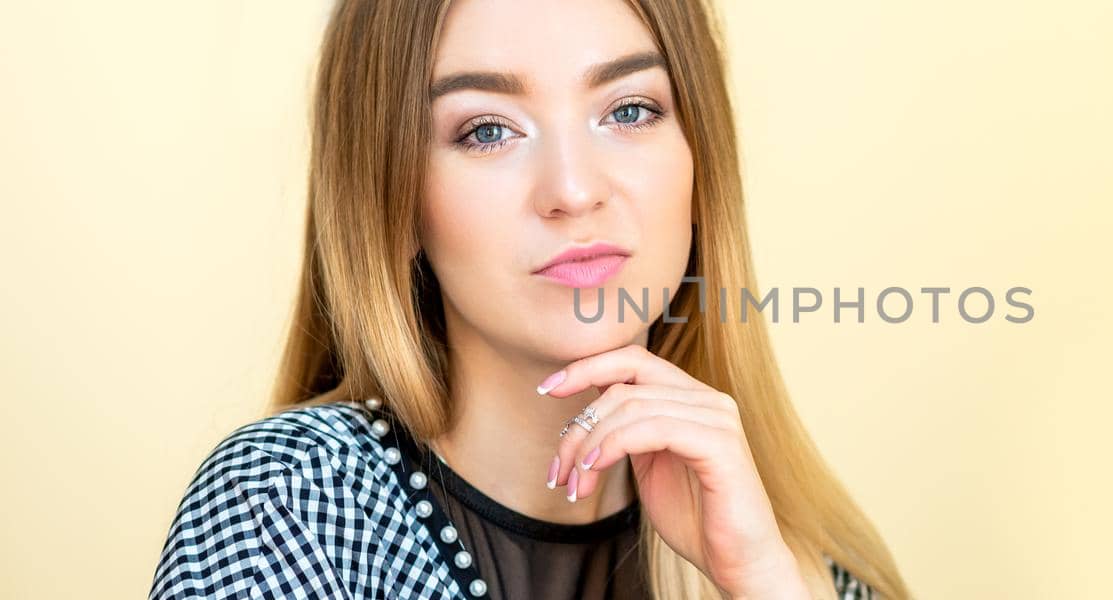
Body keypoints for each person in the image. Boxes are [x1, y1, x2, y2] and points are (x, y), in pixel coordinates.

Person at [147, 0, 908, 598]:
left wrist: (766, 589)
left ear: (700, 162)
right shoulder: (291, 505)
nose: (574, 192)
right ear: (393, 201)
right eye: (486, 130)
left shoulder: (803, 569)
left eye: (630, 111)